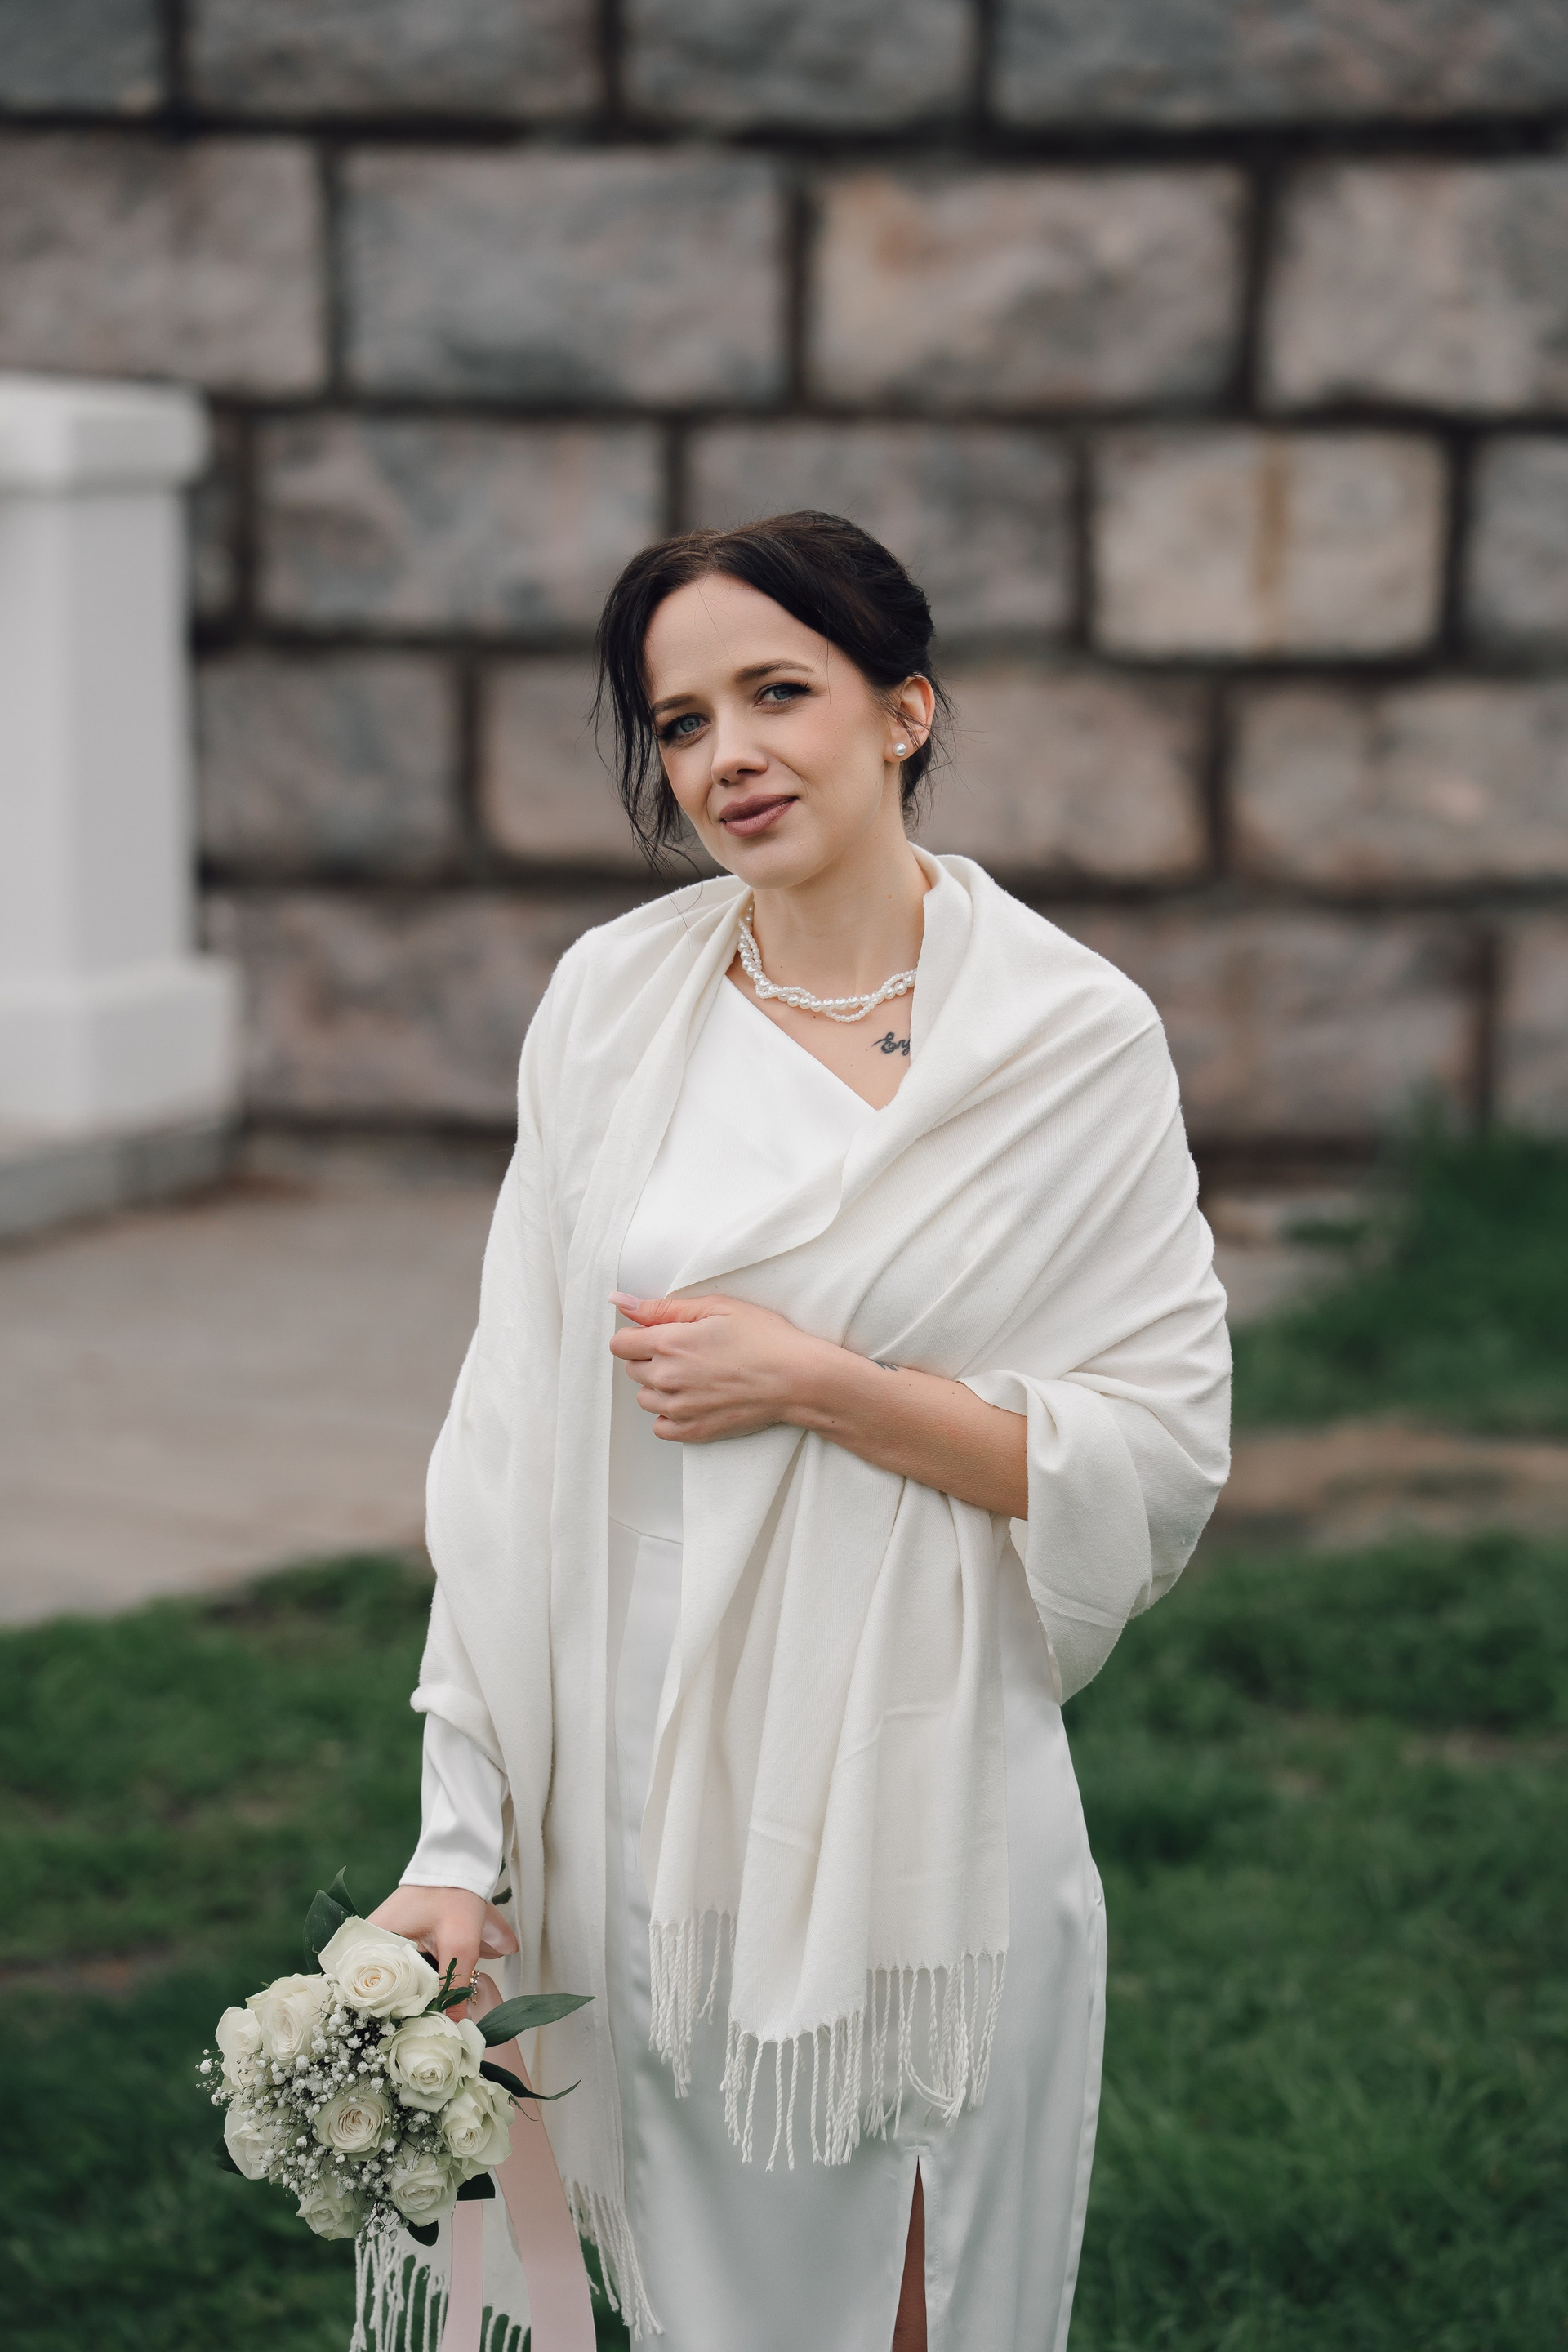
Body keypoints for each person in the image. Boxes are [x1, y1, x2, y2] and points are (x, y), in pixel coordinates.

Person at [372, 512, 1231, 2350]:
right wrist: (459, 1840)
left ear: (905, 709)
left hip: (930, 1780)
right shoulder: (616, 1007)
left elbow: (1155, 1453)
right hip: (648, 1784)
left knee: (931, 2286)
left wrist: (818, 1383)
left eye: (779, 693)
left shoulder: (1071, 1039)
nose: (729, 757)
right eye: (682, 723)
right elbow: (511, 1449)